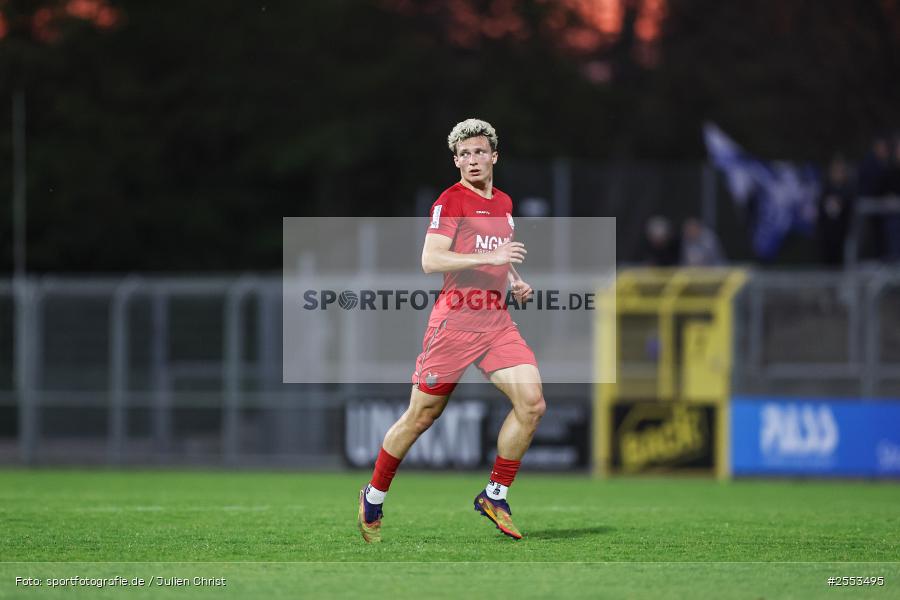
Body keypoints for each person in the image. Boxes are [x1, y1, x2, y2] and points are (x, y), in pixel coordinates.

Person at [357, 119, 545, 543]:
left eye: (479, 152)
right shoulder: (451, 200)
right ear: (456, 161)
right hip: (455, 324)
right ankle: (373, 493)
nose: (472, 160)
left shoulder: (503, 201)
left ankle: (495, 495)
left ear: (494, 156)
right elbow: (431, 260)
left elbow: (492, 248)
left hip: (495, 321)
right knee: (422, 416)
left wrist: (513, 277)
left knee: (532, 404)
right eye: (464, 154)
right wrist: (492, 255)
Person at [816, 155, 855, 266]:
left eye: (840, 171)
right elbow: (821, 214)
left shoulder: (849, 191)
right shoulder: (825, 190)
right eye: (835, 171)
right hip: (827, 237)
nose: (837, 174)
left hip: (842, 236)